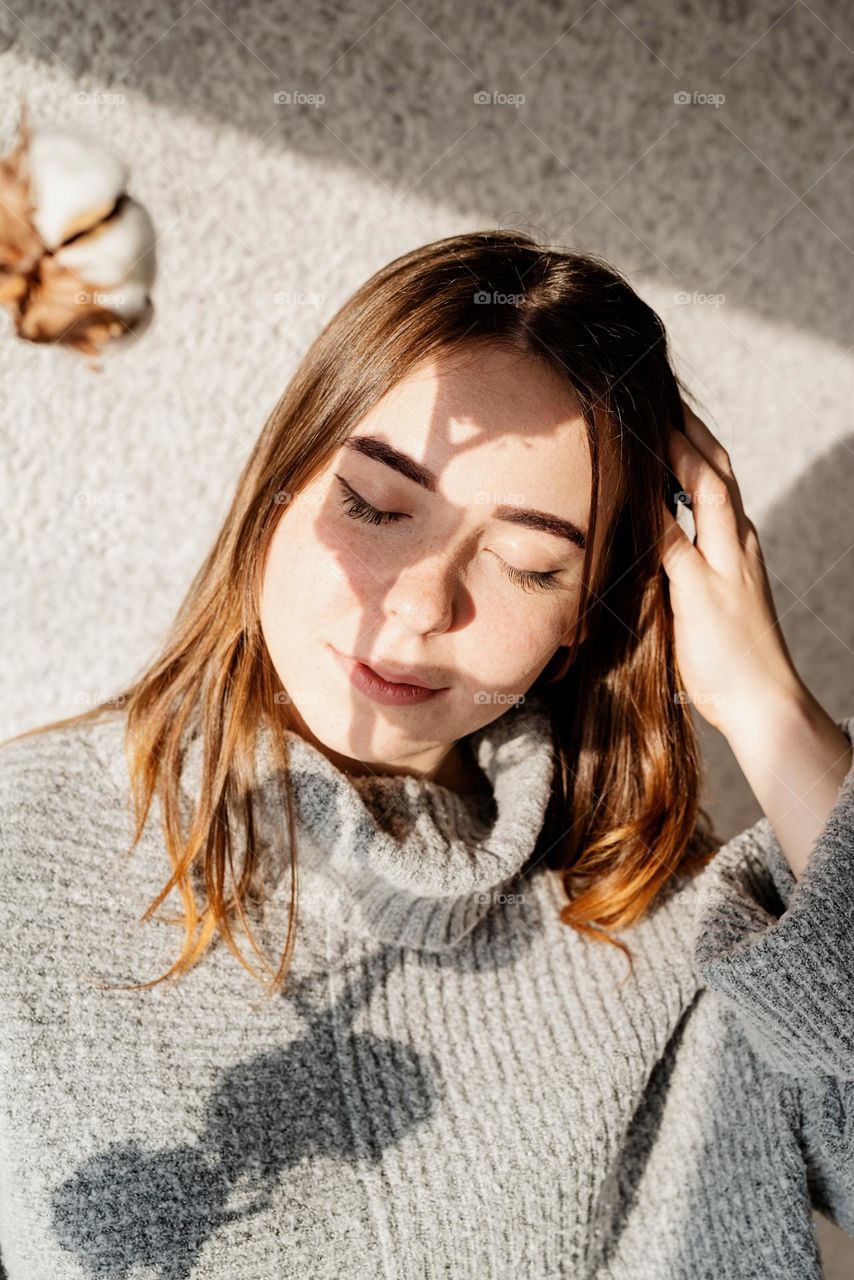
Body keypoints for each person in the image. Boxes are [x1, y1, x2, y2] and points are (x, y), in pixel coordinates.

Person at [1, 227, 852, 1278]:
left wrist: (765, 707)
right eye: (376, 503)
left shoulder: (691, 931)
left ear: (583, 615)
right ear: (280, 483)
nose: (415, 605)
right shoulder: (22, 850)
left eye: (529, 564)